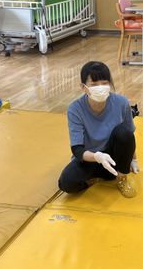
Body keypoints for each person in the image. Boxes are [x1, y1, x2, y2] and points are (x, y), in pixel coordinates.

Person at [58, 61, 138, 198]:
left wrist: (133, 159)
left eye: (104, 83)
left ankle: (121, 178)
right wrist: (96, 157)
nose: (100, 87)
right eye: (94, 84)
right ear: (83, 87)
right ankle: (94, 179)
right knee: (66, 183)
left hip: (113, 158)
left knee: (124, 133)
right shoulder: (75, 109)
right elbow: (77, 149)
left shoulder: (121, 102)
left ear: (110, 84)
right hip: (91, 158)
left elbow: (128, 135)